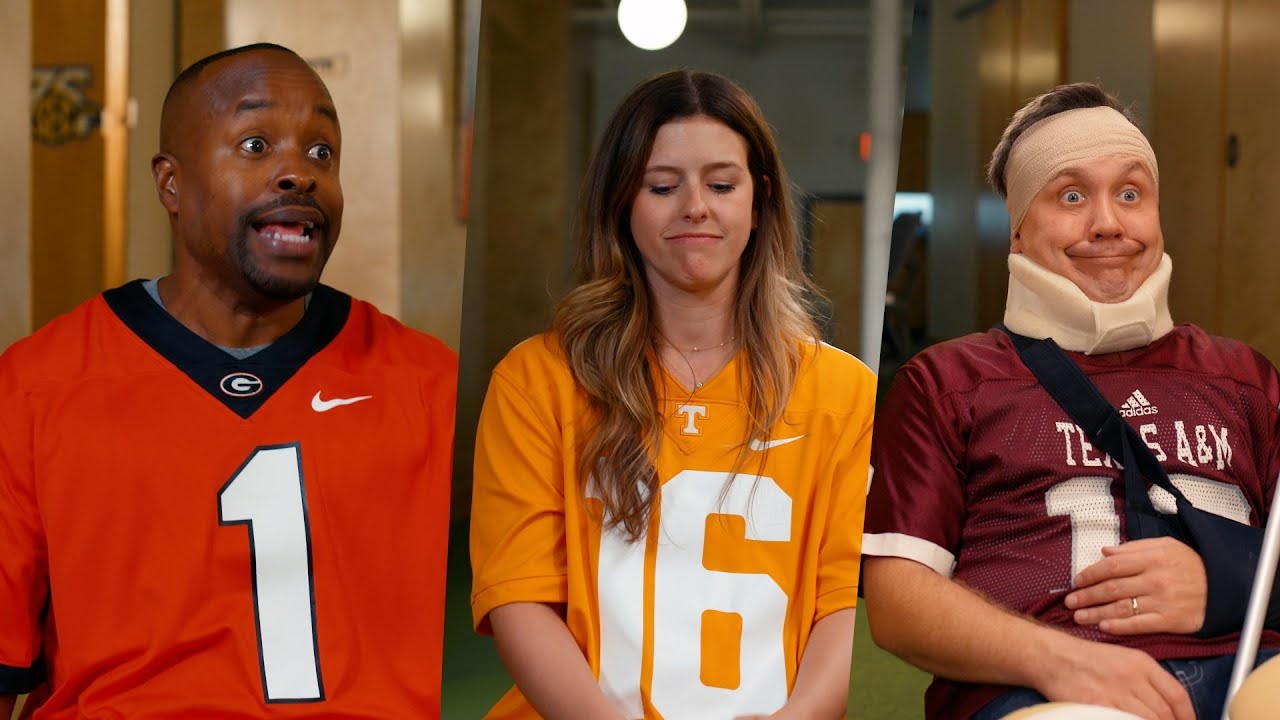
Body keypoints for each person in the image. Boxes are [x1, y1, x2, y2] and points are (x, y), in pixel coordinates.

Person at [0, 44, 456, 718]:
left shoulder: (430, 384)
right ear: (171, 185)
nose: (298, 173)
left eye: (322, 152)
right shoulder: (36, 385)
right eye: (255, 143)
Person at [861, 82, 1280, 720]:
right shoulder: (946, 383)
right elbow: (896, 601)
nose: (1108, 223)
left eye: (1132, 193)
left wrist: (1230, 583)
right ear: (1018, 233)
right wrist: (1056, 659)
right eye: (1072, 195)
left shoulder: (1245, 378)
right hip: (1048, 688)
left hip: (1253, 662)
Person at [468, 70, 876, 720]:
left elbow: (838, 606)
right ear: (622, 202)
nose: (695, 207)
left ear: (760, 199)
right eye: (662, 186)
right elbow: (520, 599)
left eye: (721, 184)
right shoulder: (536, 380)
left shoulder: (844, 392)